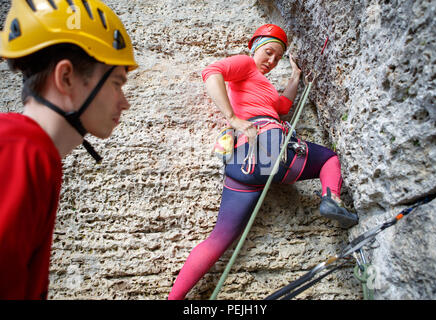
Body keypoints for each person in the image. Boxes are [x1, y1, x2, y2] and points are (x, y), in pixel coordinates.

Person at [168, 24, 358, 300]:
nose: (271, 61)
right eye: (268, 52)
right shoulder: (244, 64)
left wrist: (295, 76)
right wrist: (233, 118)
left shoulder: (261, 86)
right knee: (328, 158)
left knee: (218, 240)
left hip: (241, 166)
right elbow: (211, 71)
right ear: (254, 48)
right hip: (266, 144)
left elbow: (282, 108)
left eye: (277, 58)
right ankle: (331, 198)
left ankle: (174, 298)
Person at [0, 0, 137, 299]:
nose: (124, 102)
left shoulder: (29, 149)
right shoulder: (20, 150)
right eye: (116, 83)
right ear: (66, 78)